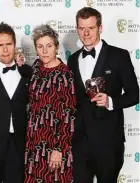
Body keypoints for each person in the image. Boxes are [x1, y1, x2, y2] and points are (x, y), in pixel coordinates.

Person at [67, 7, 139, 183]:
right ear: (77, 29)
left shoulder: (119, 56)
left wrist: (111, 101)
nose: (86, 33)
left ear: (100, 28)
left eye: (90, 28)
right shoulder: (72, 59)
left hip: (108, 141)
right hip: (80, 141)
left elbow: (135, 94)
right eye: (82, 28)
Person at [0, 22, 32, 183]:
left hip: (18, 145)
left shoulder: (27, 72)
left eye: (9, 44)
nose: (5, 49)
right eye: (0, 45)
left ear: (15, 45)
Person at [24, 24, 76, 183]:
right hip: (33, 144)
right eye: (40, 46)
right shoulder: (36, 68)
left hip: (55, 145)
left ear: (56, 47)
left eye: (49, 46)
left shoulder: (65, 74)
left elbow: (69, 114)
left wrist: (59, 149)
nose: (44, 51)